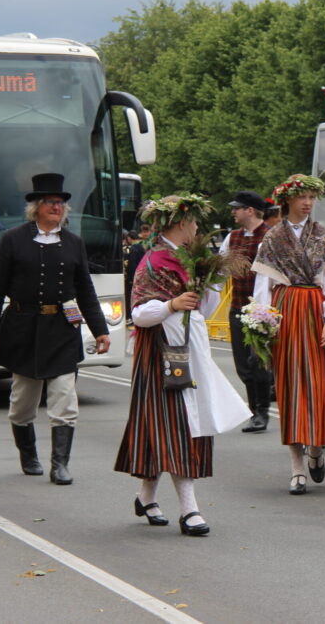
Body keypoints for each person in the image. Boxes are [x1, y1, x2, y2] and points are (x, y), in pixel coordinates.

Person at [115, 194, 252, 535]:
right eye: (193, 222)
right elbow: (139, 314)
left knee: (166, 425)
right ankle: (190, 510)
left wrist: (206, 290)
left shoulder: (190, 259)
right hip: (162, 353)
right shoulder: (153, 261)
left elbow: (203, 312)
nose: (196, 228)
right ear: (180, 223)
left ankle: (146, 495)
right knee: (179, 425)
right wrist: (171, 304)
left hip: (190, 348)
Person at [0, 173, 111, 485]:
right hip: (22, 328)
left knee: (64, 395)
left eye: (61, 203)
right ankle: (28, 455)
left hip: (62, 329)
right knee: (22, 402)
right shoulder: (13, 240)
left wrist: (101, 330)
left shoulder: (74, 243)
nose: (58, 207)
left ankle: (60, 465)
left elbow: (85, 290)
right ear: (36, 207)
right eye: (51, 202)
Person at [252, 175, 325, 494]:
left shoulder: (323, 235)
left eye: (311, 197)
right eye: (302, 197)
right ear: (288, 200)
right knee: (291, 389)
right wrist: (264, 322)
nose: (308, 202)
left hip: (315, 311)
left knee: (322, 388)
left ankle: (317, 449)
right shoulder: (273, 238)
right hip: (286, 312)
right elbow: (263, 285)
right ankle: (296, 467)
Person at [219, 190, 273, 433]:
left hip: (262, 311)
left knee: (258, 361)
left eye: (237, 208)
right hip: (238, 307)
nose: (233, 212)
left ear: (250, 210)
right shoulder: (232, 237)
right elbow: (220, 271)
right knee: (243, 363)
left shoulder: (270, 236)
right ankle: (255, 409)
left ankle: (261, 411)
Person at [123, 230, 146, 324]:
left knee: (129, 297)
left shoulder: (132, 249)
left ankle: (130, 317)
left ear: (129, 238)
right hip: (142, 276)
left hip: (133, 278)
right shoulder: (141, 247)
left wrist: (130, 279)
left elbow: (131, 265)